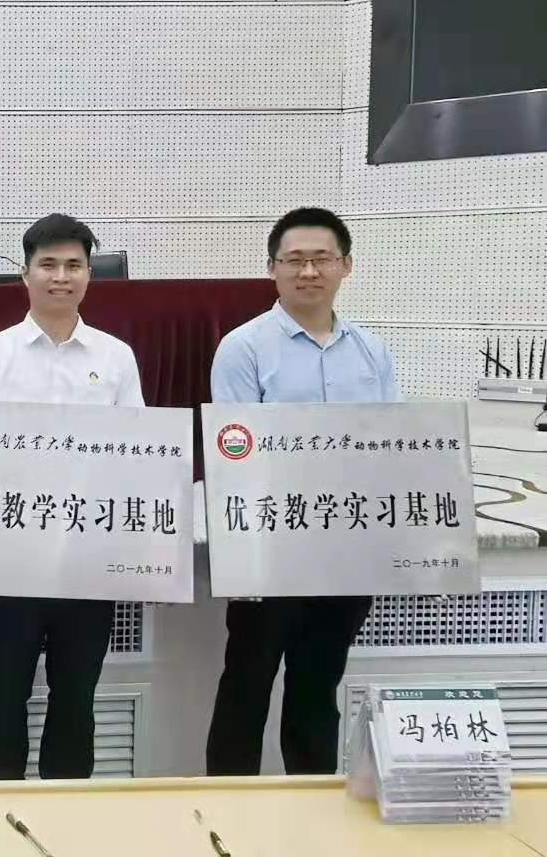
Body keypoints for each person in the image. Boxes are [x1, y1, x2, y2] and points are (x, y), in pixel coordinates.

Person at [205, 207, 398, 776]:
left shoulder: (371, 351)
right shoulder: (243, 347)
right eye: (294, 260)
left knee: (318, 687)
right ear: (272, 268)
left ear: (346, 266)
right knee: (247, 684)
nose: (308, 271)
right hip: (271, 548)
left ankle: (310, 806)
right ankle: (228, 806)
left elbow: (393, 446)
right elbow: (232, 453)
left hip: (345, 549)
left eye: (321, 259)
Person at [0, 213, 144, 781]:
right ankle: (1, 810)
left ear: (89, 275)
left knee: (76, 699)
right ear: (26, 273)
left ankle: (70, 817)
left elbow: (137, 459)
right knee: (4, 696)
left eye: (73, 266)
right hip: (10, 561)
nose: (61, 277)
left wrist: (135, 558)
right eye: (49, 265)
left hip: (88, 562)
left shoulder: (116, 357)